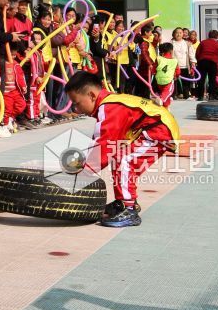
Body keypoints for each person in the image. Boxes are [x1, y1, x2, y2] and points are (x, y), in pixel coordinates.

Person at [65, 71, 179, 228]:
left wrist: (85, 170)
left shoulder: (109, 107)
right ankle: (123, 202)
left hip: (157, 131)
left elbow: (105, 145)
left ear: (91, 95)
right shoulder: (108, 104)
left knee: (123, 159)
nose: (76, 109)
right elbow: (99, 140)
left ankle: (129, 208)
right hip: (151, 129)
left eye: (77, 103)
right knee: (121, 158)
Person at [195, 30, 218, 100]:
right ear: (217, 36)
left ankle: (200, 96)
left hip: (202, 62)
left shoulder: (203, 42)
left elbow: (197, 53)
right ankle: (211, 96)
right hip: (212, 63)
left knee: (201, 80)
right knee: (212, 80)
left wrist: (199, 60)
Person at [170, 28, 196, 100]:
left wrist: (193, 63)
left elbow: (191, 54)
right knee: (173, 81)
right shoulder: (171, 43)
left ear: (183, 34)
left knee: (186, 82)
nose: (179, 34)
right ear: (174, 34)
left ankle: (186, 95)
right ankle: (172, 95)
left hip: (185, 65)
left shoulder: (187, 43)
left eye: (180, 33)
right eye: (177, 33)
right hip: (174, 65)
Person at [154, 42, 179, 108]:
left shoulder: (158, 58)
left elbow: (154, 68)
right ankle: (161, 99)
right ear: (171, 51)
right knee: (168, 91)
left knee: (163, 92)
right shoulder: (174, 61)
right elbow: (178, 71)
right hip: (168, 80)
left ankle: (166, 105)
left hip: (159, 80)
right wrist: (177, 76)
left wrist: (154, 72)